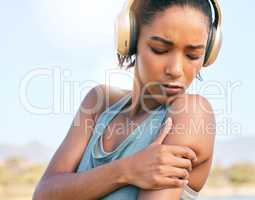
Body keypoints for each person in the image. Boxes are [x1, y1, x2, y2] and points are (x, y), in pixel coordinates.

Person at [33, 0, 222, 199]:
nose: (175, 70)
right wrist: (126, 170)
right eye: (159, 49)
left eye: (193, 55)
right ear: (131, 40)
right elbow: (43, 194)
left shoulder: (191, 112)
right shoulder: (99, 102)